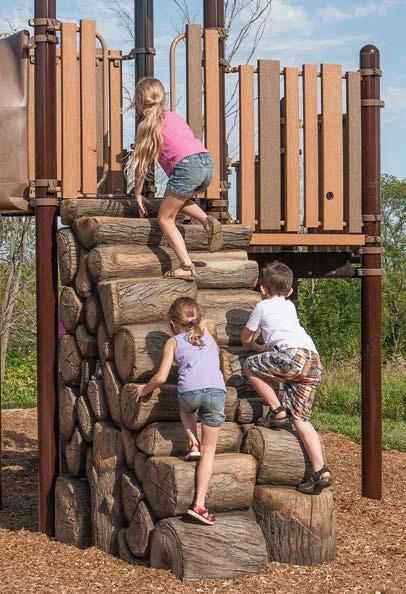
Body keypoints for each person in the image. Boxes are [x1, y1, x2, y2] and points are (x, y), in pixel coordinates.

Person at [240, 261, 332, 495]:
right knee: (301, 419)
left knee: (250, 367)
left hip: (292, 356)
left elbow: (245, 339)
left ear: (262, 289)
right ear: (290, 290)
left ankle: (277, 409)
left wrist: (257, 348)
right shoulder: (290, 306)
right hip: (313, 360)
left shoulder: (262, 306)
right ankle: (321, 471)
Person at [136, 297, 226, 524]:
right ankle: (199, 505)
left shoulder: (173, 342)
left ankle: (192, 441)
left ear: (173, 323)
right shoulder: (208, 337)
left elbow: (161, 377)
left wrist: (143, 391)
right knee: (209, 451)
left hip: (189, 394)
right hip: (216, 392)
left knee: (186, 410)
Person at [126, 77, 223, 281]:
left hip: (188, 167)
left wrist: (137, 193)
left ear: (140, 102)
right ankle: (207, 221)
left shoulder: (147, 126)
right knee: (178, 199)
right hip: (207, 163)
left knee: (165, 218)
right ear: (163, 98)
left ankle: (186, 267)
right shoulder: (174, 116)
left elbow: (141, 164)